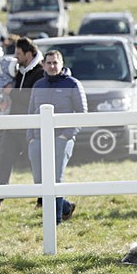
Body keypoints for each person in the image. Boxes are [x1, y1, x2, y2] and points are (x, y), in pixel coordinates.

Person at [0, 37, 44, 215]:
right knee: (4, 161)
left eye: (19, 54)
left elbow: (31, 99)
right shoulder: (19, 70)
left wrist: (11, 92)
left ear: (29, 54)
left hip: (30, 128)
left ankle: (44, 200)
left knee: (36, 166)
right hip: (13, 126)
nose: (16, 57)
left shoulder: (40, 73)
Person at [27, 50, 87, 224]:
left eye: (55, 63)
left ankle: (55, 219)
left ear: (62, 64)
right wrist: (30, 137)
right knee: (39, 180)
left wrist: (66, 135)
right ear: (44, 65)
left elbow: (82, 113)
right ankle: (66, 206)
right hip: (38, 139)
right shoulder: (38, 85)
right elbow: (31, 112)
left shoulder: (73, 84)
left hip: (62, 138)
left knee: (56, 177)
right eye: (49, 63)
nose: (52, 66)